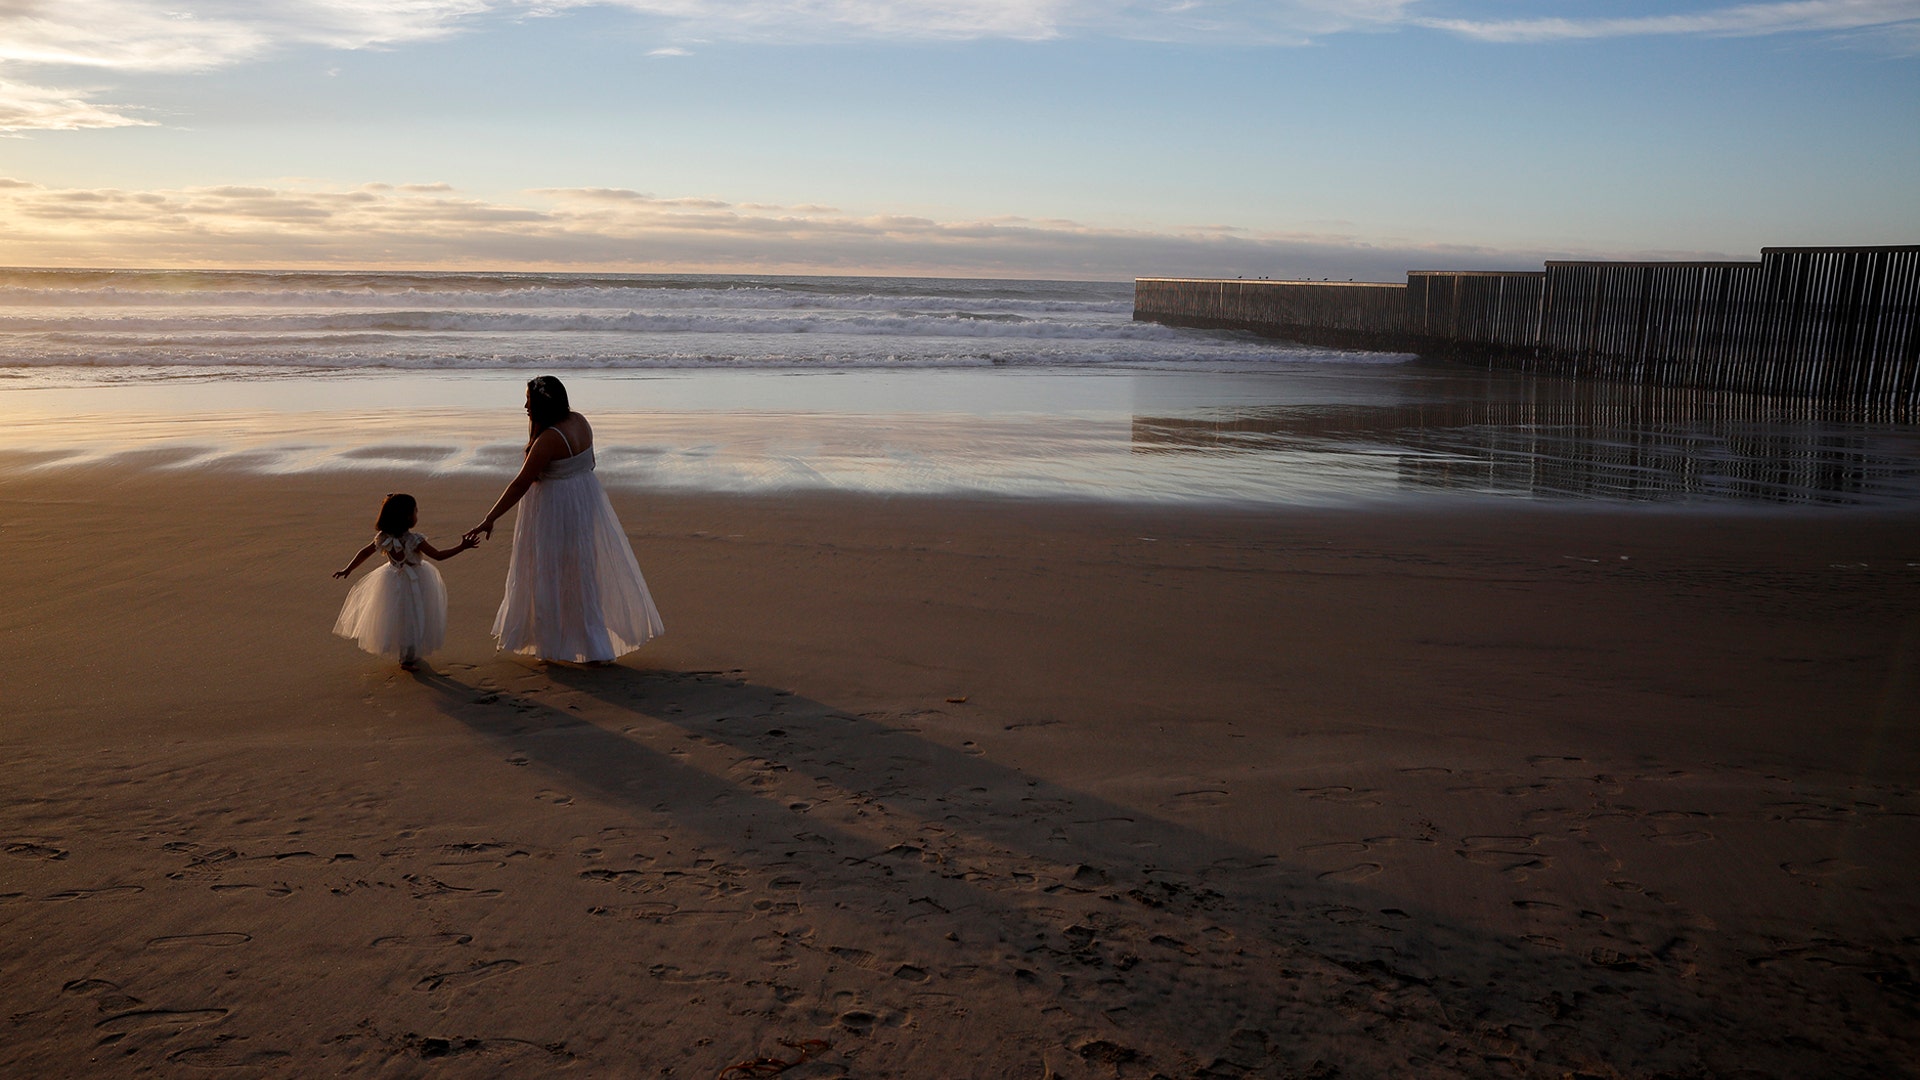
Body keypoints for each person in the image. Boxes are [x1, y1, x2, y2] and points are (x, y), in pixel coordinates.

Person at [464, 375, 664, 664]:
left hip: (556, 509)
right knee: (581, 571)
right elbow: (590, 462)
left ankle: (555, 643)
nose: (525, 407)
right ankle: (590, 642)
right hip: (583, 499)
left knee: (551, 572)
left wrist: (490, 517)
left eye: (529, 402)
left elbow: (521, 483)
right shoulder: (580, 421)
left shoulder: (548, 440)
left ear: (543, 404)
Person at [333, 492, 476, 670]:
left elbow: (365, 552)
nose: (417, 514)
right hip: (415, 581)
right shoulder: (415, 539)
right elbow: (438, 556)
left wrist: (348, 569)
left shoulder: (383, 537)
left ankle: (405, 655)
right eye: (416, 511)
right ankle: (407, 658)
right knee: (414, 616)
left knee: (399, 617)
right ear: (408, 516)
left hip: (391, 580)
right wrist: (462, 547)